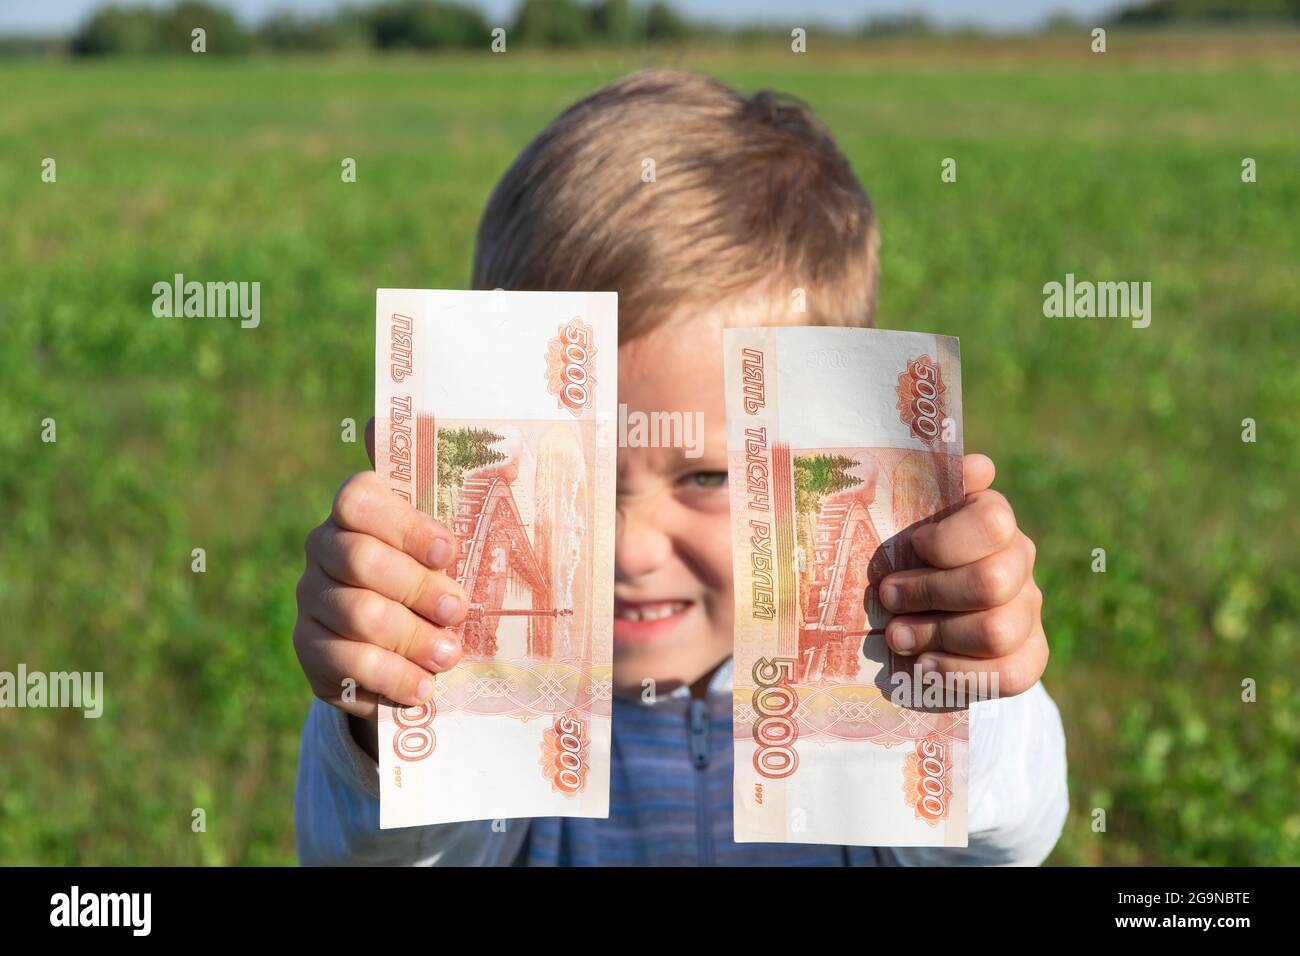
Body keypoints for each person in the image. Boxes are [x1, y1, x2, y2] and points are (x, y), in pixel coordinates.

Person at [293, 69, 1067, 865]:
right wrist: (384, 715)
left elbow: (1004, 837)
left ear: (831, 452)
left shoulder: (868, 680)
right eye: (577, 474)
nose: (631, 551)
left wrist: (963, 682)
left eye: (705, 477)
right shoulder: (499, 682)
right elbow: (365, 855)